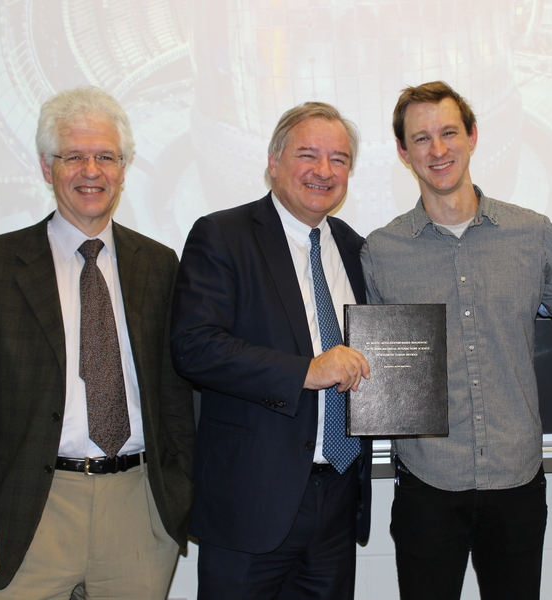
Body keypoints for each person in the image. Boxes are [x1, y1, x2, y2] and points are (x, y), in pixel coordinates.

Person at [0, 86, 195, 598]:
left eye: (105, 156)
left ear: (124, 169)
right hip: (30, 509)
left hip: (137, 508)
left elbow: (174, 392)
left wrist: (180, 493)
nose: (91, 171)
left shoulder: (159, 263)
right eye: (73, 156)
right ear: (45, 167)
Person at [361, 81, 552, 599]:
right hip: (427, 482)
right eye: (421, 139)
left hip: (517, 478)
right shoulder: (382, 251)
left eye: (448, 133)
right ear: (402, 152)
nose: (437, 150)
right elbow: (379, 372)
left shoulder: (532, 234)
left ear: (473, 136)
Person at [171, 101, 372, 599]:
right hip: (252, 501)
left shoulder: (355, 247)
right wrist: (307, 370)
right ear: (273, 160)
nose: (324, 171)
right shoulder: (223, 235)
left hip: (338, 498)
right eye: (308, 154)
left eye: (339, 159)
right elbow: (195, 347)